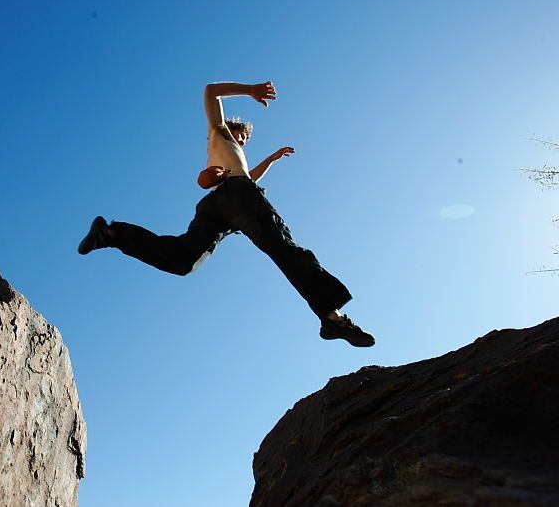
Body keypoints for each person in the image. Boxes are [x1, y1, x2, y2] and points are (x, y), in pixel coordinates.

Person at [78, 81, 374, 347]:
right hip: (235, 196)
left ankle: (112, 233)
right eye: (241, 133)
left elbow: (246, 176)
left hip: (218, 205)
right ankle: (332, 318)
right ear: (229, 128)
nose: (243, 139)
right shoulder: (218, 132)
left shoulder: (228, 155)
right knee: (283, 248)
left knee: (184, 260)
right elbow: (210, 90)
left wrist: (270, 159)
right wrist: (250, 90)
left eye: (246, 138)